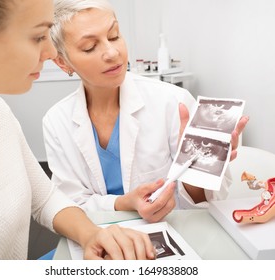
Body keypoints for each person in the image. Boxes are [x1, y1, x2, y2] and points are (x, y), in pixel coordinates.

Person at [0, 0, 156, 260]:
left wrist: (92, 235)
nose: (52, 51)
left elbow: (45, 198)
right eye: (38, 36)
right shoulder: (53, 117)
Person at [43, 0, 248, 223]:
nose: (112, 53)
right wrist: (123, 203)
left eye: (114, 36)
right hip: (98, 236)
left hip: (171, 235)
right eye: (90, 47)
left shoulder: (173, 103)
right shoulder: (56, 121)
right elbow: (69, 202)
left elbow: (204, 206)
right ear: (63, 63)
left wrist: (196, 173)